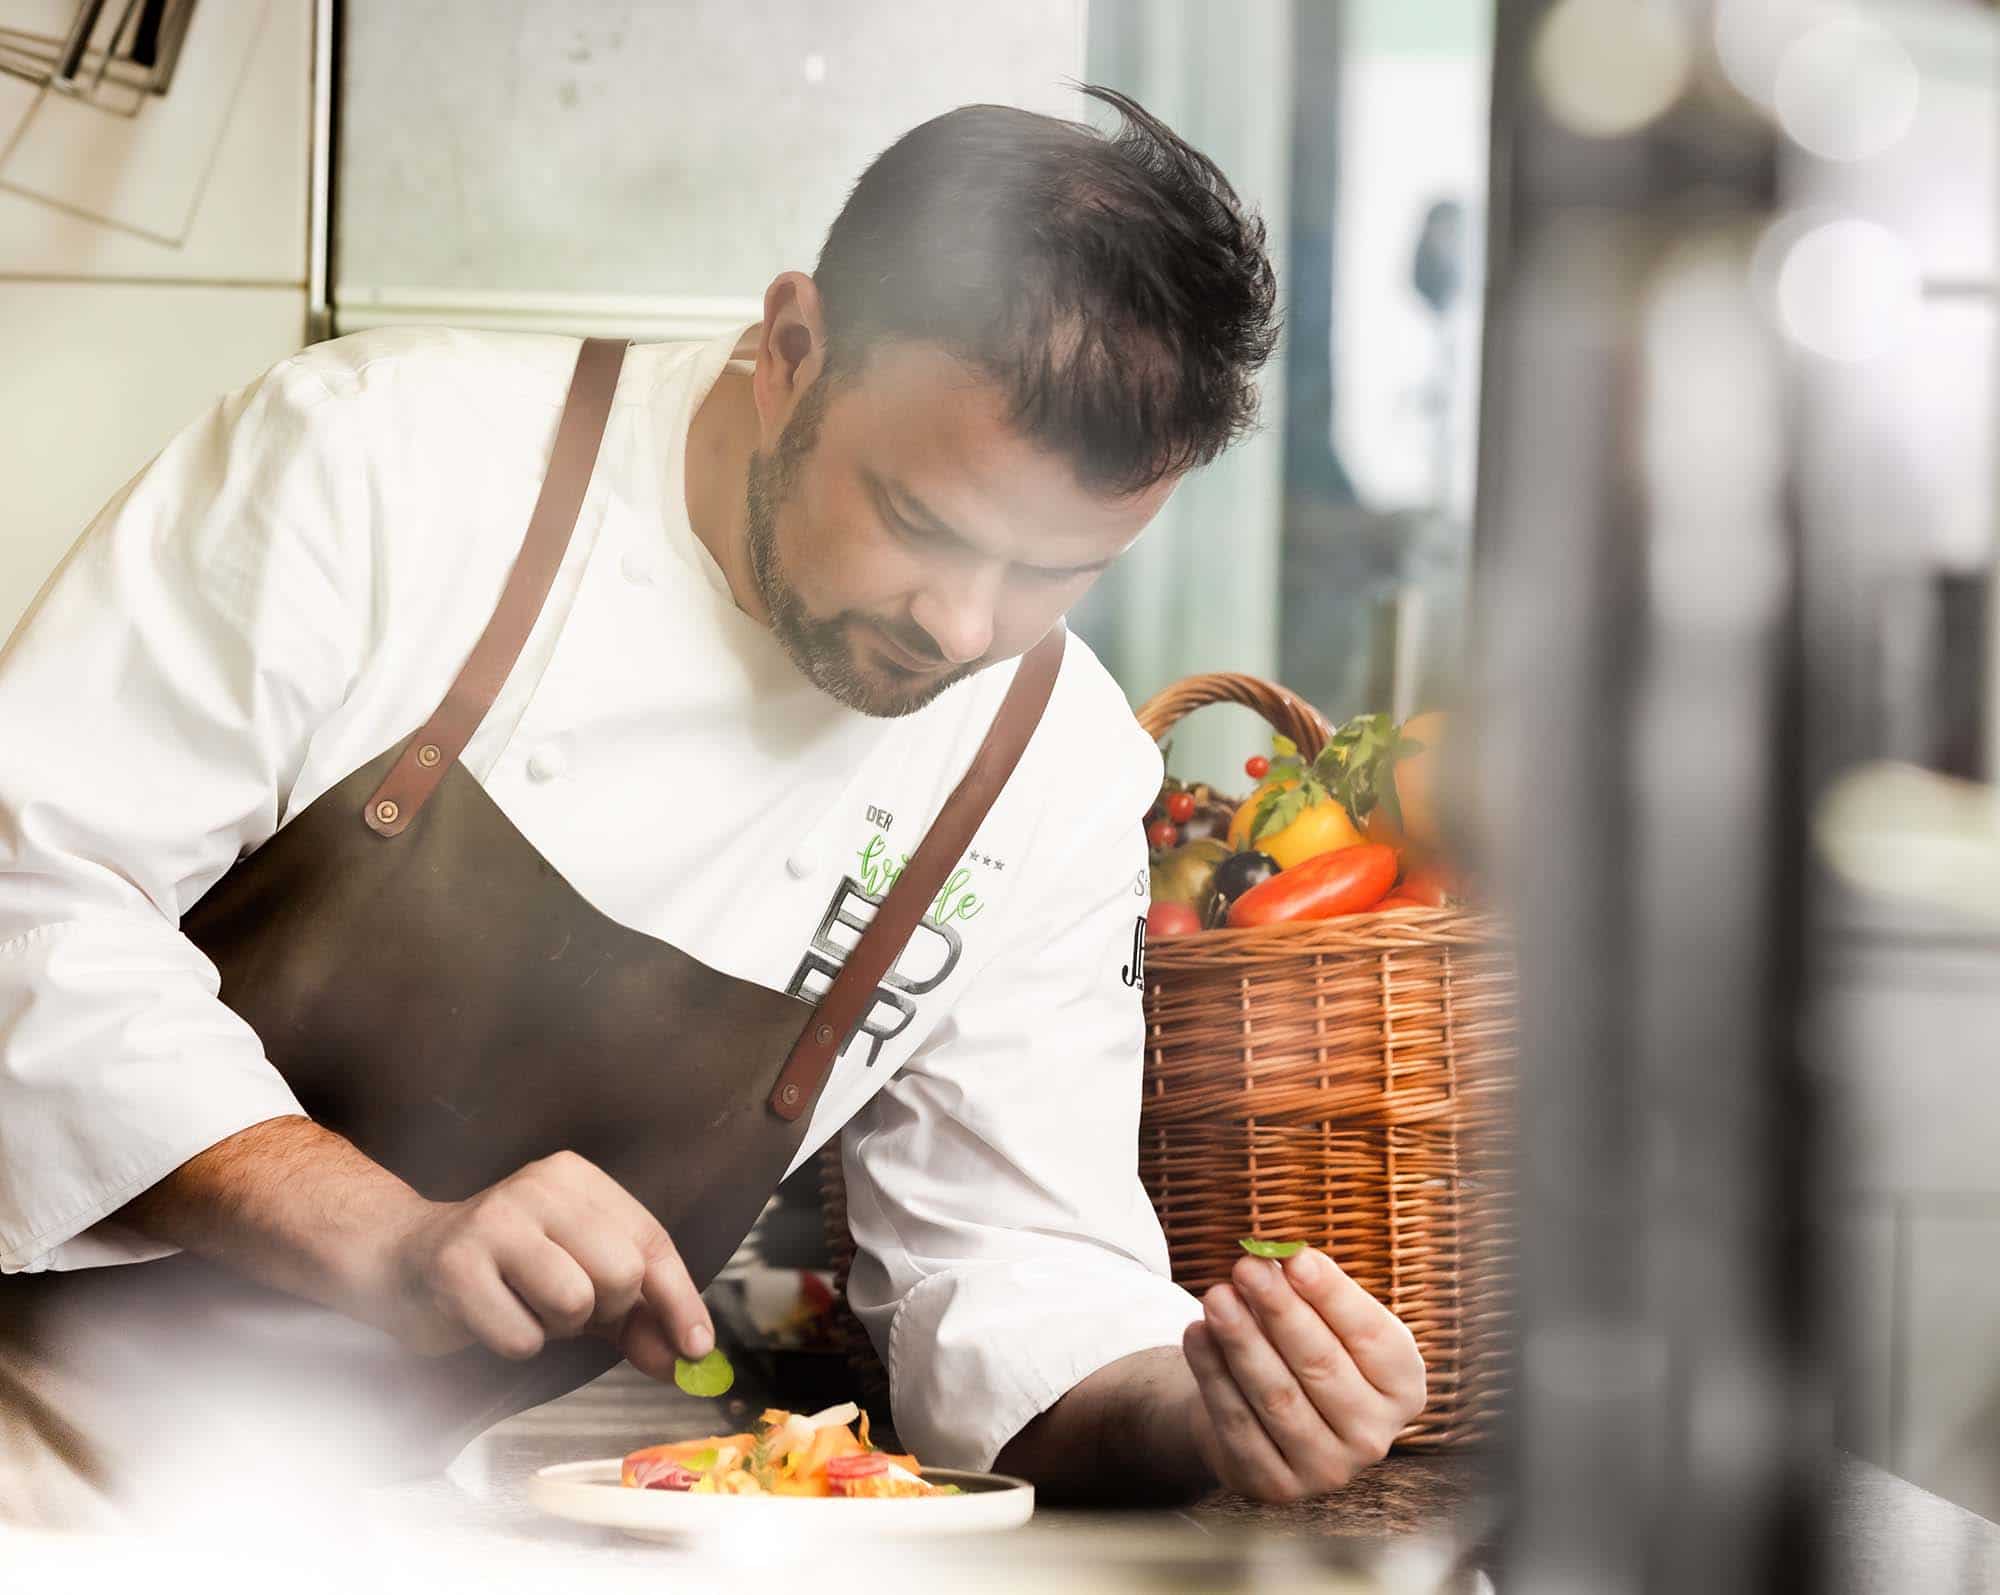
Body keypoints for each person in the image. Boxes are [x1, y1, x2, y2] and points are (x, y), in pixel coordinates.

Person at [0, 86, 1423, 1523]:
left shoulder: (1049, 770)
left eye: (1057, 573)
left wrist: (1210, 1411)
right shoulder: (379, 464)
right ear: (793, 349)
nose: (962, 624)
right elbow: (30, 893)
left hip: (354, 1513)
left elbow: (1020, 1281)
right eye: (922, 521)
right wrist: (389, 1235)